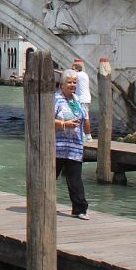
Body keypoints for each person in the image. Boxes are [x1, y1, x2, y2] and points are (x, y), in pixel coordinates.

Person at [54, 70, 91, 220]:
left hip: (75, 147)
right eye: (69, 82)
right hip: (57, 147)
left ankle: (79, 209)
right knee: (50, 178)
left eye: (74, 82)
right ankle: (41, 204)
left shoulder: (77, 100)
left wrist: (88, 135)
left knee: (75, 179)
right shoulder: (56, 100)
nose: (72, 85)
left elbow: (84, 119)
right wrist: (64, 124)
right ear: (62, 84)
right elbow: (45, 119)